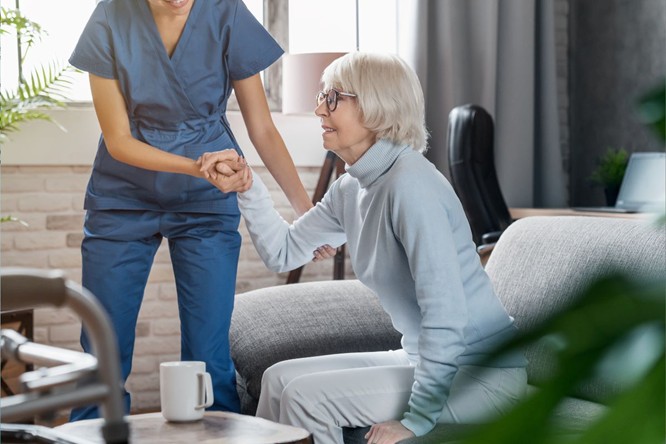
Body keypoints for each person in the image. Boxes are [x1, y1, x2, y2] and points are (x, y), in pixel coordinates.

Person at [199, 52, 528, 444]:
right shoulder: (352, 188)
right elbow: (283, 252)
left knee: (306, 399)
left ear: (376, 106)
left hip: (482, 374)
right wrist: (248, 187)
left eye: (333, 97)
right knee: (277, 378)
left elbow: (446, 313)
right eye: (322, 96)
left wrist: (417, 419)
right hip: (420, 356)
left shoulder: (411, 186)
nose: (318, 107)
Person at [67, 0, 331, 420]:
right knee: (102, 346)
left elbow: (261, 127)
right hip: (124, 194)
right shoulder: (111, 15)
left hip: (206, 201)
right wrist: (196, 166)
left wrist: (304, 210)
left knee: (210, 355)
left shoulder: (226, 13)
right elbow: (118, 140)